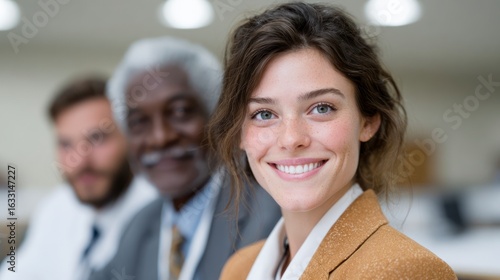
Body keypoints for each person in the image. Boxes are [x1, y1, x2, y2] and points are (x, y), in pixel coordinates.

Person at [208, 2, 457, 279]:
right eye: (264, 114)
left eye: (321, 108)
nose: (291, 139)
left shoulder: (405, 271)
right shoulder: (239, 268)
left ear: (367, 121)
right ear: (239, 133)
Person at [90, 37, 280, 280]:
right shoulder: (140, 226)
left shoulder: (268, 214)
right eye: (139, 122)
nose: (160, 138)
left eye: (180, 112)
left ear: (217, 117)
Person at [0, 77, 158, 280]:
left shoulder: (160, 212)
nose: (80, 161)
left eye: (97, 139)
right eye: (66, 144)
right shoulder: (58, 206)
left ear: (131, 137)